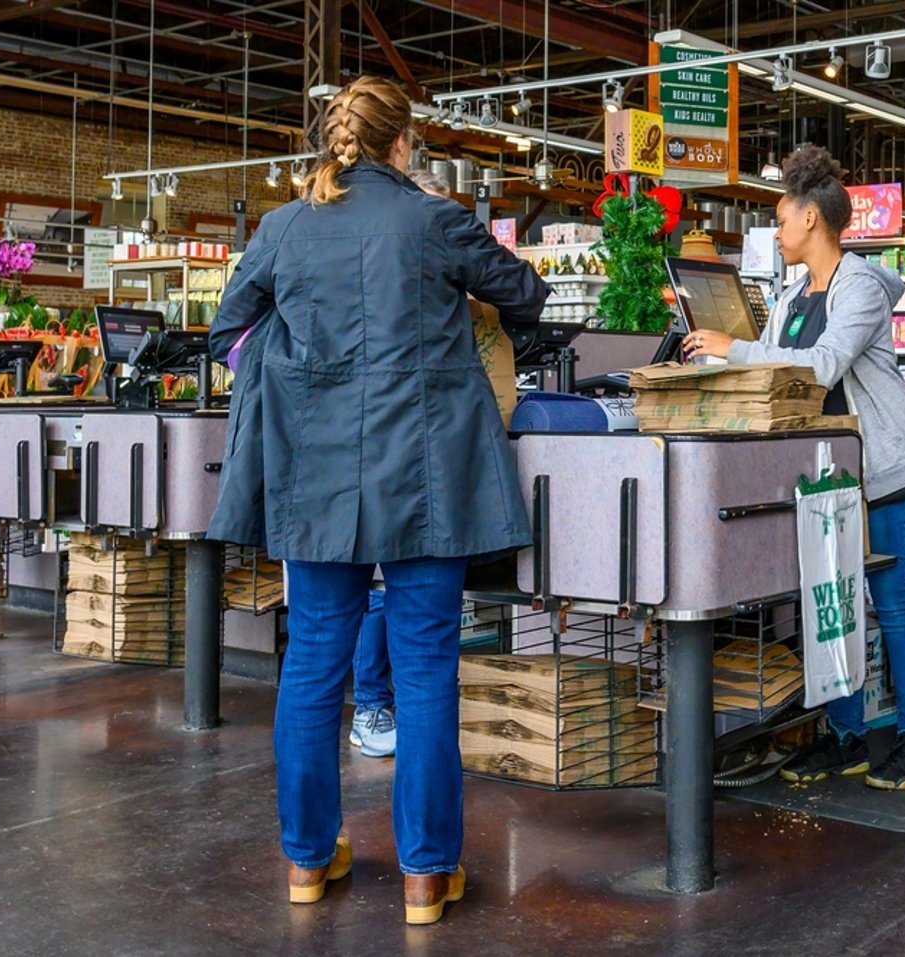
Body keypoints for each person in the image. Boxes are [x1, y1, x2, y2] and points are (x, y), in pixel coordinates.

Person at [207, 75, 548, 921]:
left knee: (314, 667)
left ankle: (306, 859)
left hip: (314, 483)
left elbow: (226, 336)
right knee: (427, 667)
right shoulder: (434, 220)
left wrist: (293, 381)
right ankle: (427, 875)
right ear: (405, 144)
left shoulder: (284, 229)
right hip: (427, 483)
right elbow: (529, 296)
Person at [681, 144, 905, 792]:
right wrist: (720, 353)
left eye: (780, 216)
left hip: (881, 470)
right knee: (837, 605)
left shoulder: (861, 290)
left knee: (895, 602)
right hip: (827, 476)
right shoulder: (796, 292)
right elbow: (772, 355)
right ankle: (846, 735)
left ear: (810, 221)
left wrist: (733, 348)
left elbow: (821, 365)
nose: (776, 230)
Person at [347, 166, 455, 760]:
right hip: (402, 454)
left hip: (369, 454)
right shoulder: (402, 244)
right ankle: (370, 705)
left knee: (351, 619)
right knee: (400, 622)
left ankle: (307, 851)